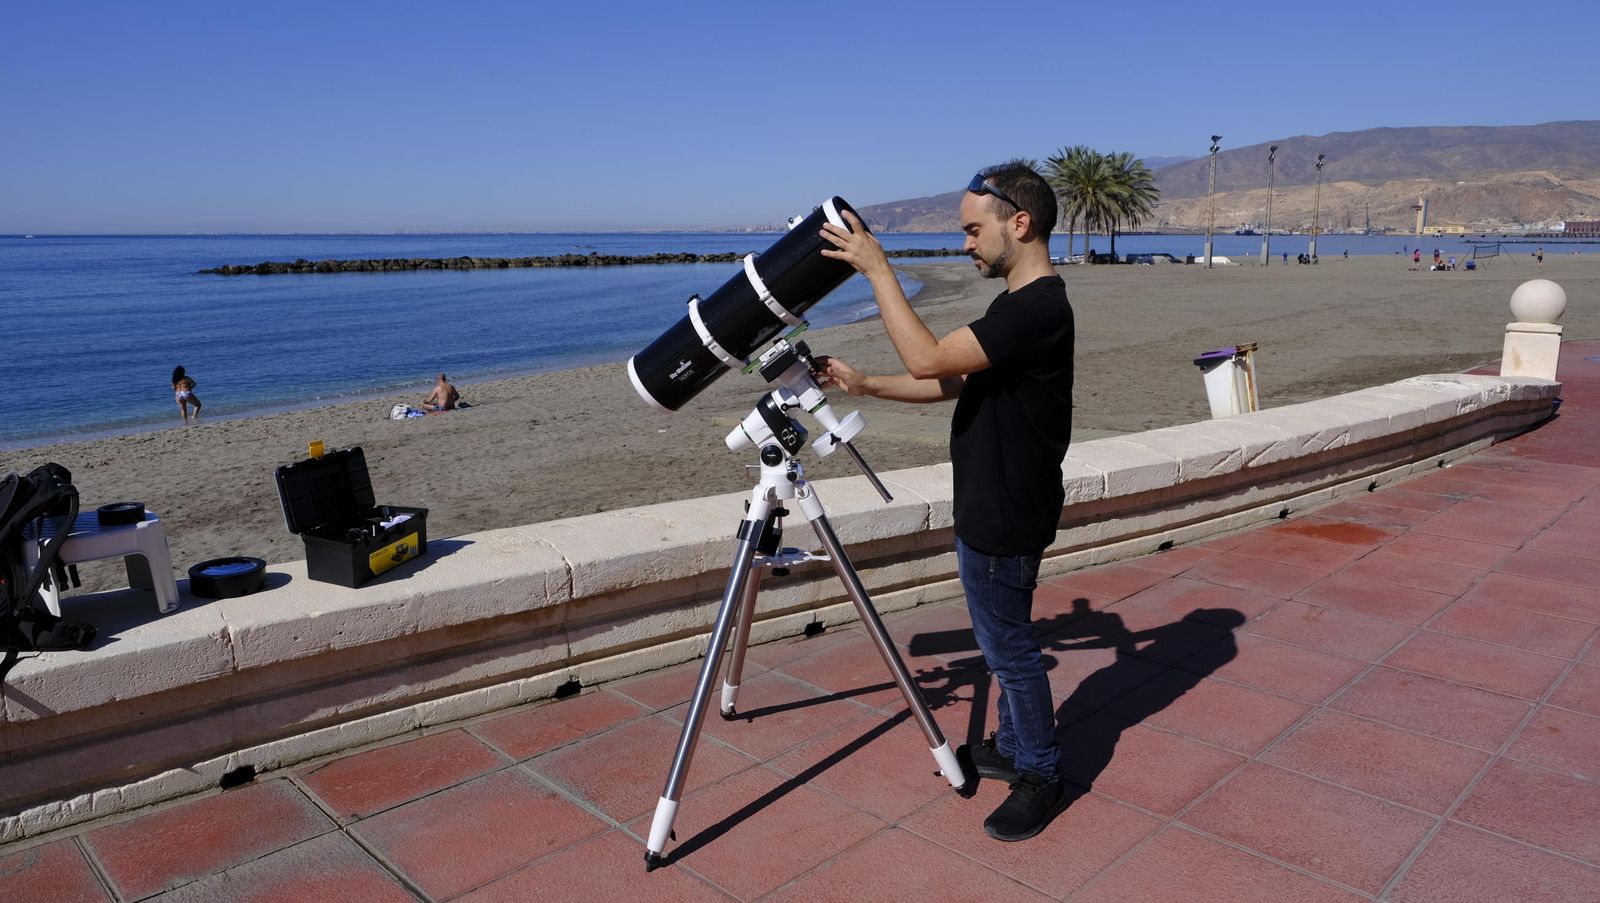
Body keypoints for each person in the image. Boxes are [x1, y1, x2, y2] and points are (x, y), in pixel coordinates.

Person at [817, 163, 1071, 842]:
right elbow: (951, 382)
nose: (964, 244)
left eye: (971, 230)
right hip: (1002, 502)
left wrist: (877, 271)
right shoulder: (1020, 308)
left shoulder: (1036, 309)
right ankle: (1015, 747)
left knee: (1009, 649)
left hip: (1005, 510)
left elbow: (931, 360)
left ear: (1020, 224)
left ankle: (1041, 771)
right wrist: (867, 384)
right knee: (1001, 642)